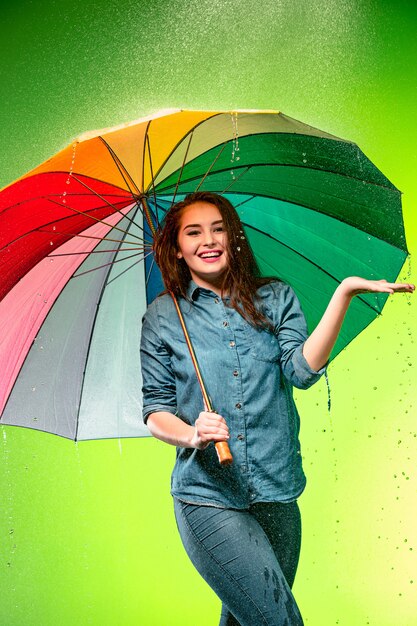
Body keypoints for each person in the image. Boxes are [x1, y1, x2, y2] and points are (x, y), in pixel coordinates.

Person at [140, 191, 414, 626]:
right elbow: (156, 411)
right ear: (176, 247)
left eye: (218, 229)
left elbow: (302, 371)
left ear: (233, 237)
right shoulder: (162, 317)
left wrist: (342, 294)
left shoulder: (276, 298)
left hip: (279, 493)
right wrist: (193, 432)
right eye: (194, 232)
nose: (208, 240)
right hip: (208, 498)